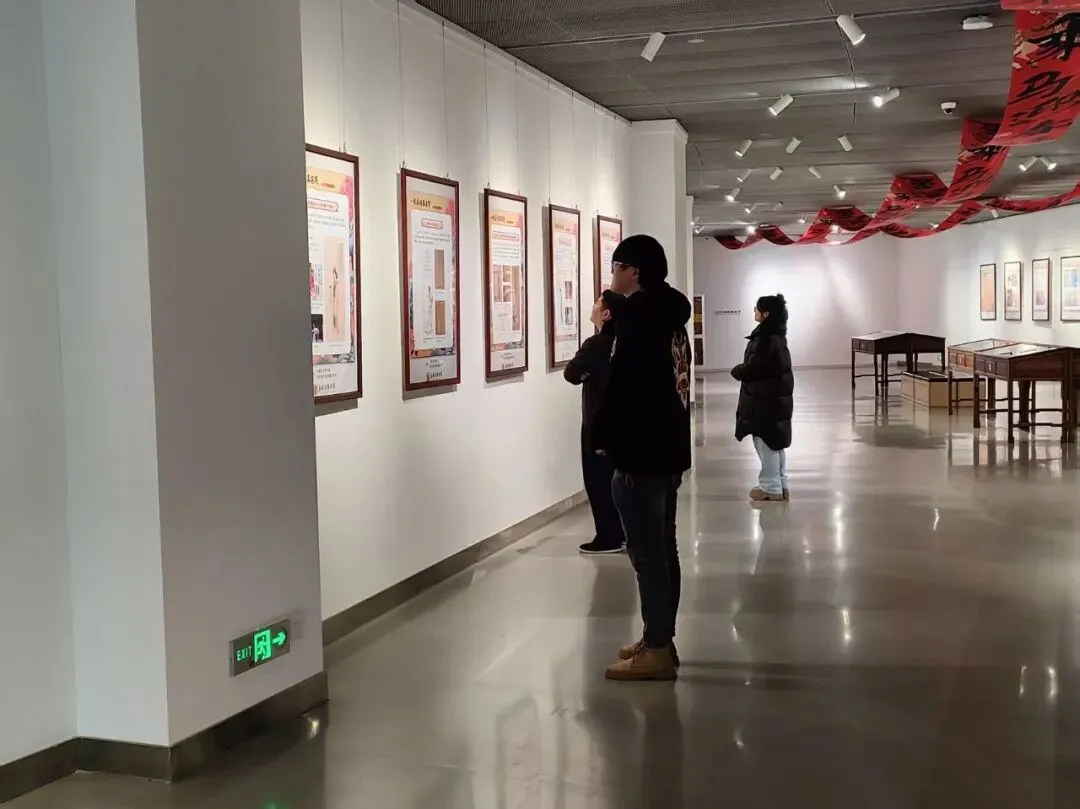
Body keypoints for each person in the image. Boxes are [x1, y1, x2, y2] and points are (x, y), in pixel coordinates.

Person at [593, 234, 692, 682]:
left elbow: (622, 385)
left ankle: (656, 648)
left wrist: (606, 318)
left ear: (634, 271)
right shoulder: (667, 312)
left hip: (641, 454)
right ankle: (660, 638)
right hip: (665, 450)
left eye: (616, 266)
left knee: (648, 555)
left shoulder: (642, 318)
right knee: (662, 549)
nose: (612, 274)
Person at [564, 290, 627, 555]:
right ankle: (624, 533)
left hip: (597, 422)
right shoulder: (626, 342)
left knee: (598, 481)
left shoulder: (596, 344)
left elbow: (571, 373)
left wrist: (587, 373)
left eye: (597, 303)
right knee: (620, 479)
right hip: (623, 421)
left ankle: (608, 537)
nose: (592, 306)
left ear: (607, 314)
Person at [731, 294, 794, 502]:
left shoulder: (765, 339)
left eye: (757, 308)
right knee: (775, 444)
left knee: (765, 442)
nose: (754, 311)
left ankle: (770, 487)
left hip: (764, 401)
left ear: (766, 314)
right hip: (774, 400)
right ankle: (780, 484)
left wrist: (739, 371)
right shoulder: (776, 336)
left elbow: (756, 368)